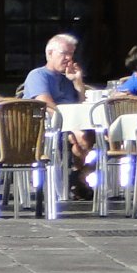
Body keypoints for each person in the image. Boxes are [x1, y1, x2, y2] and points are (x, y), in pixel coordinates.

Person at [21, 32, 93, 195]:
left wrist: (78, 82)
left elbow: (81, 106)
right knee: (82, 137)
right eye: (64, 53)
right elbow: (47, 104)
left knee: (106, 138)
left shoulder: (67, 78)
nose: (69, 58)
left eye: (71, 54)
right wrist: (71, 126)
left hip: (71, 126)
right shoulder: (38, 75)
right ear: (50, 54)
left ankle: (78, 176)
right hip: (45, 128)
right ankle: (77, 178)